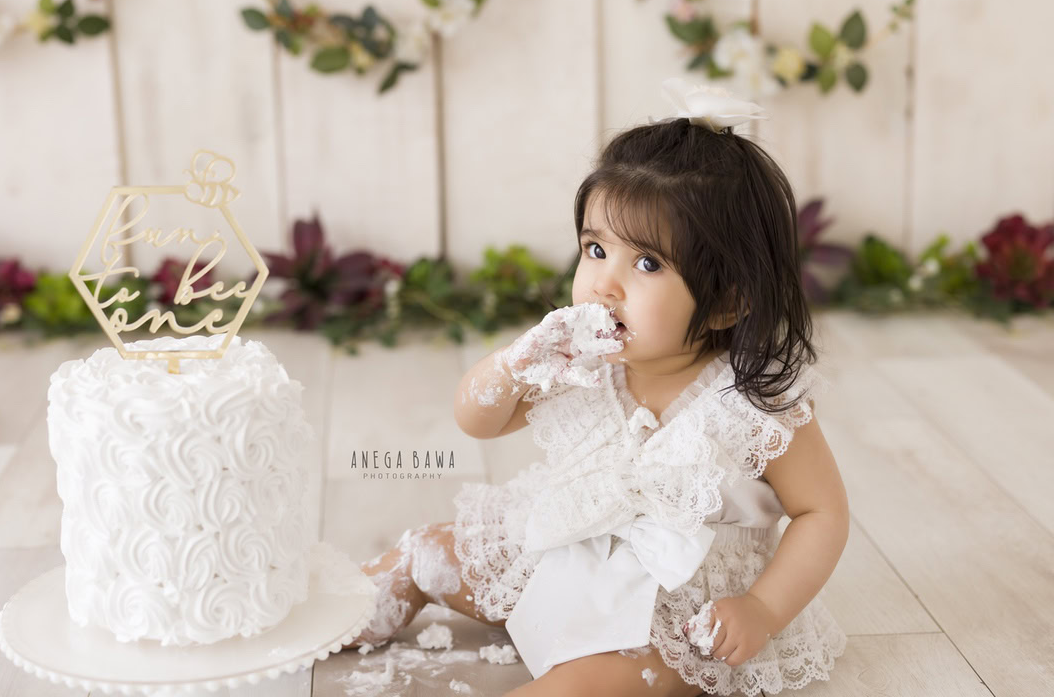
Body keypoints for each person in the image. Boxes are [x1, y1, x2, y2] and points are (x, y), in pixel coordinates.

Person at [341, 78, 850, 697]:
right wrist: (514, 364)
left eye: (647, 264)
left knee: (592, 682)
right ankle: (325, 621)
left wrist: (763, 608)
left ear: (725, 303)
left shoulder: (752, 405)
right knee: (426, 552)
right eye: (595, 248)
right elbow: (477, 419)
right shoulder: (577, 361)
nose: (604, 284)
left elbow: (822, 514)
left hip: (668, 611)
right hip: (556, 555)